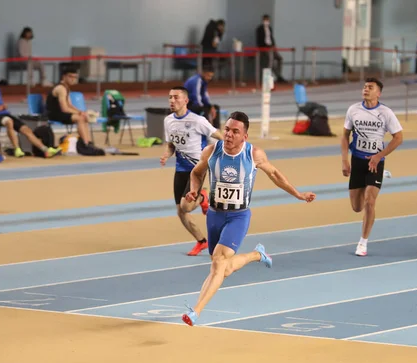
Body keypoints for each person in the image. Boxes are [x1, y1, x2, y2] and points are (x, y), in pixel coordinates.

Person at [181, 111, 316, 326]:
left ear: (244, 136)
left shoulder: (253, 154)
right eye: (227, 129)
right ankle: (256, 255)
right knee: (222, 268)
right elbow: (196, 173)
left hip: (238, 216)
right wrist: (195, 191)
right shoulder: (211, 150)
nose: (229, 135)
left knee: (218, 262)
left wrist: (298, 194)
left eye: (235, 131)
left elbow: (275, 175)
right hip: (215, 215)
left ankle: (196, 311)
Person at [341, 78, 403, 257]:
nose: (365, 89)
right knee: (357, 207)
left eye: (370, 87)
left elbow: (398, 138)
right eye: (364, 87)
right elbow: (345, 135)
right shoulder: (353, 110)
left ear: (379, 93)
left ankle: (363, 242)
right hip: (357, 161)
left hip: (375, 162)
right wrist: (345, 160)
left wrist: (379, 156)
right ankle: (378, 177)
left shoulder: (386, 113)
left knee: (370, 201)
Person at [160, 86, 224, 256]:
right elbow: (172, 144)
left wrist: (233, 149)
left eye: (176, 97)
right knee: (181, 212)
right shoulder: (168, 120)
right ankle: (202, 241)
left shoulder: (198, 121)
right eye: (170, 97)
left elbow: (220, 136)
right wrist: (167, 154)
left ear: (186, 100)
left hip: (198, 167)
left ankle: (203, 197)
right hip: (180, 168)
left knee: (186, 206)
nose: (172, 101)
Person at [0, 75, 60, 158]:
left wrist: (3, 106)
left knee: (26, 129)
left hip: (4, 114)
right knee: (9, 122)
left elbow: (0, 104)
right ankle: (17, 149)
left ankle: (45, 150)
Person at [45, 67, 94, 147]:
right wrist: (80, 113)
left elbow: (70, 105)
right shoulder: (61, 88)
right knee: (80, 118)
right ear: (64, 77)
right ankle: (85, 144)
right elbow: (64, 108)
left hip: (61, 113)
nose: (73, 79)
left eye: (75, 77)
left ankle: (88, 142)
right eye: (70, 77)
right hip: (54, 114)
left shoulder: (66, 88)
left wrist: (82, 112)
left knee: (84, 117)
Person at [255, 14, 287, 83]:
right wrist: (265, 47)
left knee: (279, 58)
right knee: (270, 61)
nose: (266, 21)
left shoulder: (270, 28)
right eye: (265, 20)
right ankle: (268, 78)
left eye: (267, 20)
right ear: (263, 20)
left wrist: (274, 46)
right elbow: (259, 41)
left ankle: (278, 75)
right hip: (265, 48)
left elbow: (271, 38)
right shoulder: (259, 29)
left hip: (271, 47)